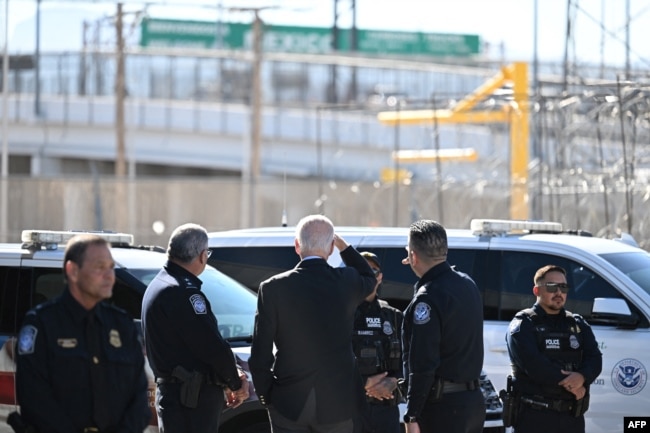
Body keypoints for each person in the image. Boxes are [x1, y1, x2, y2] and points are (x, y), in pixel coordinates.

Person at [248, 214, 377, 433]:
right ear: (330, 249)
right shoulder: (346, 280)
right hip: (337, 404)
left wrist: (267, 396)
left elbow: (260, 353)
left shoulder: (272, 288)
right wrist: (344, 248)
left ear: (297, 245)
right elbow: (369, 276)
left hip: (288, 402)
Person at [14, 234, 151, 433]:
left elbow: (139, 399)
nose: (109, 275)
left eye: (111, 267)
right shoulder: (42, 324)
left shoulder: (122, 325)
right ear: (73, 271)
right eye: (99, 267)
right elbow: (34, 399)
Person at [141, 223, 249, 433]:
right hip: (190, 401)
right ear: (202, 256)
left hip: (178, 397)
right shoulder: (183, 292)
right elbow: (211, 346)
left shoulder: (159, 284)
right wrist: (235, 382)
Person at [401, 219, 485, 433]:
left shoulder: (428, 296)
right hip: (471, 402)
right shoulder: (467, 283)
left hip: (443, 409)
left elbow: (423, 362)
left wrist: (412, 414)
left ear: (412, 256)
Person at [505, 264, 602, 433]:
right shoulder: (523, 324)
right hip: (535, 418)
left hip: (572, 418)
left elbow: (595, 358)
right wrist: (573, 385)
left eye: (563, 287)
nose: (559, 292)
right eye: (552, 287)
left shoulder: (577, 324)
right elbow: (534, 366)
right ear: (537, 291)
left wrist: (582, 376)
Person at [354, 252, 403, 433]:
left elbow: (410, 361)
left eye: (372, 271)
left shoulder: (394, 316)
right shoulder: (339, 316)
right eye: (361, 271)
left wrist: (394, 380)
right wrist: (364, 383)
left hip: (386, 411)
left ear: (380, 277)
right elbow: (329, 366)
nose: (367, 275)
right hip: (350, 412)